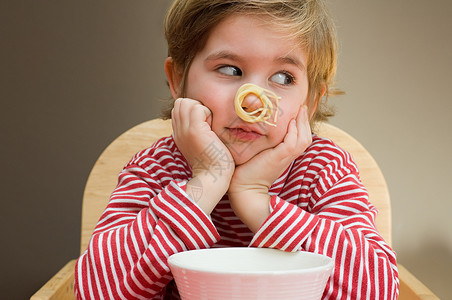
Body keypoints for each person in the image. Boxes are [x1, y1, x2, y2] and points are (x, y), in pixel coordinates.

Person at [75, 0, 399, 299]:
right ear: (178, 79)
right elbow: (93, 290)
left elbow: (377, 288)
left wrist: (256, 198)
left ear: (310, 103)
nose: (253, 101)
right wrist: (207, 180)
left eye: (283, 78)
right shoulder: (155, 167)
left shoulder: (323, 168)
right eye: (230, 70)